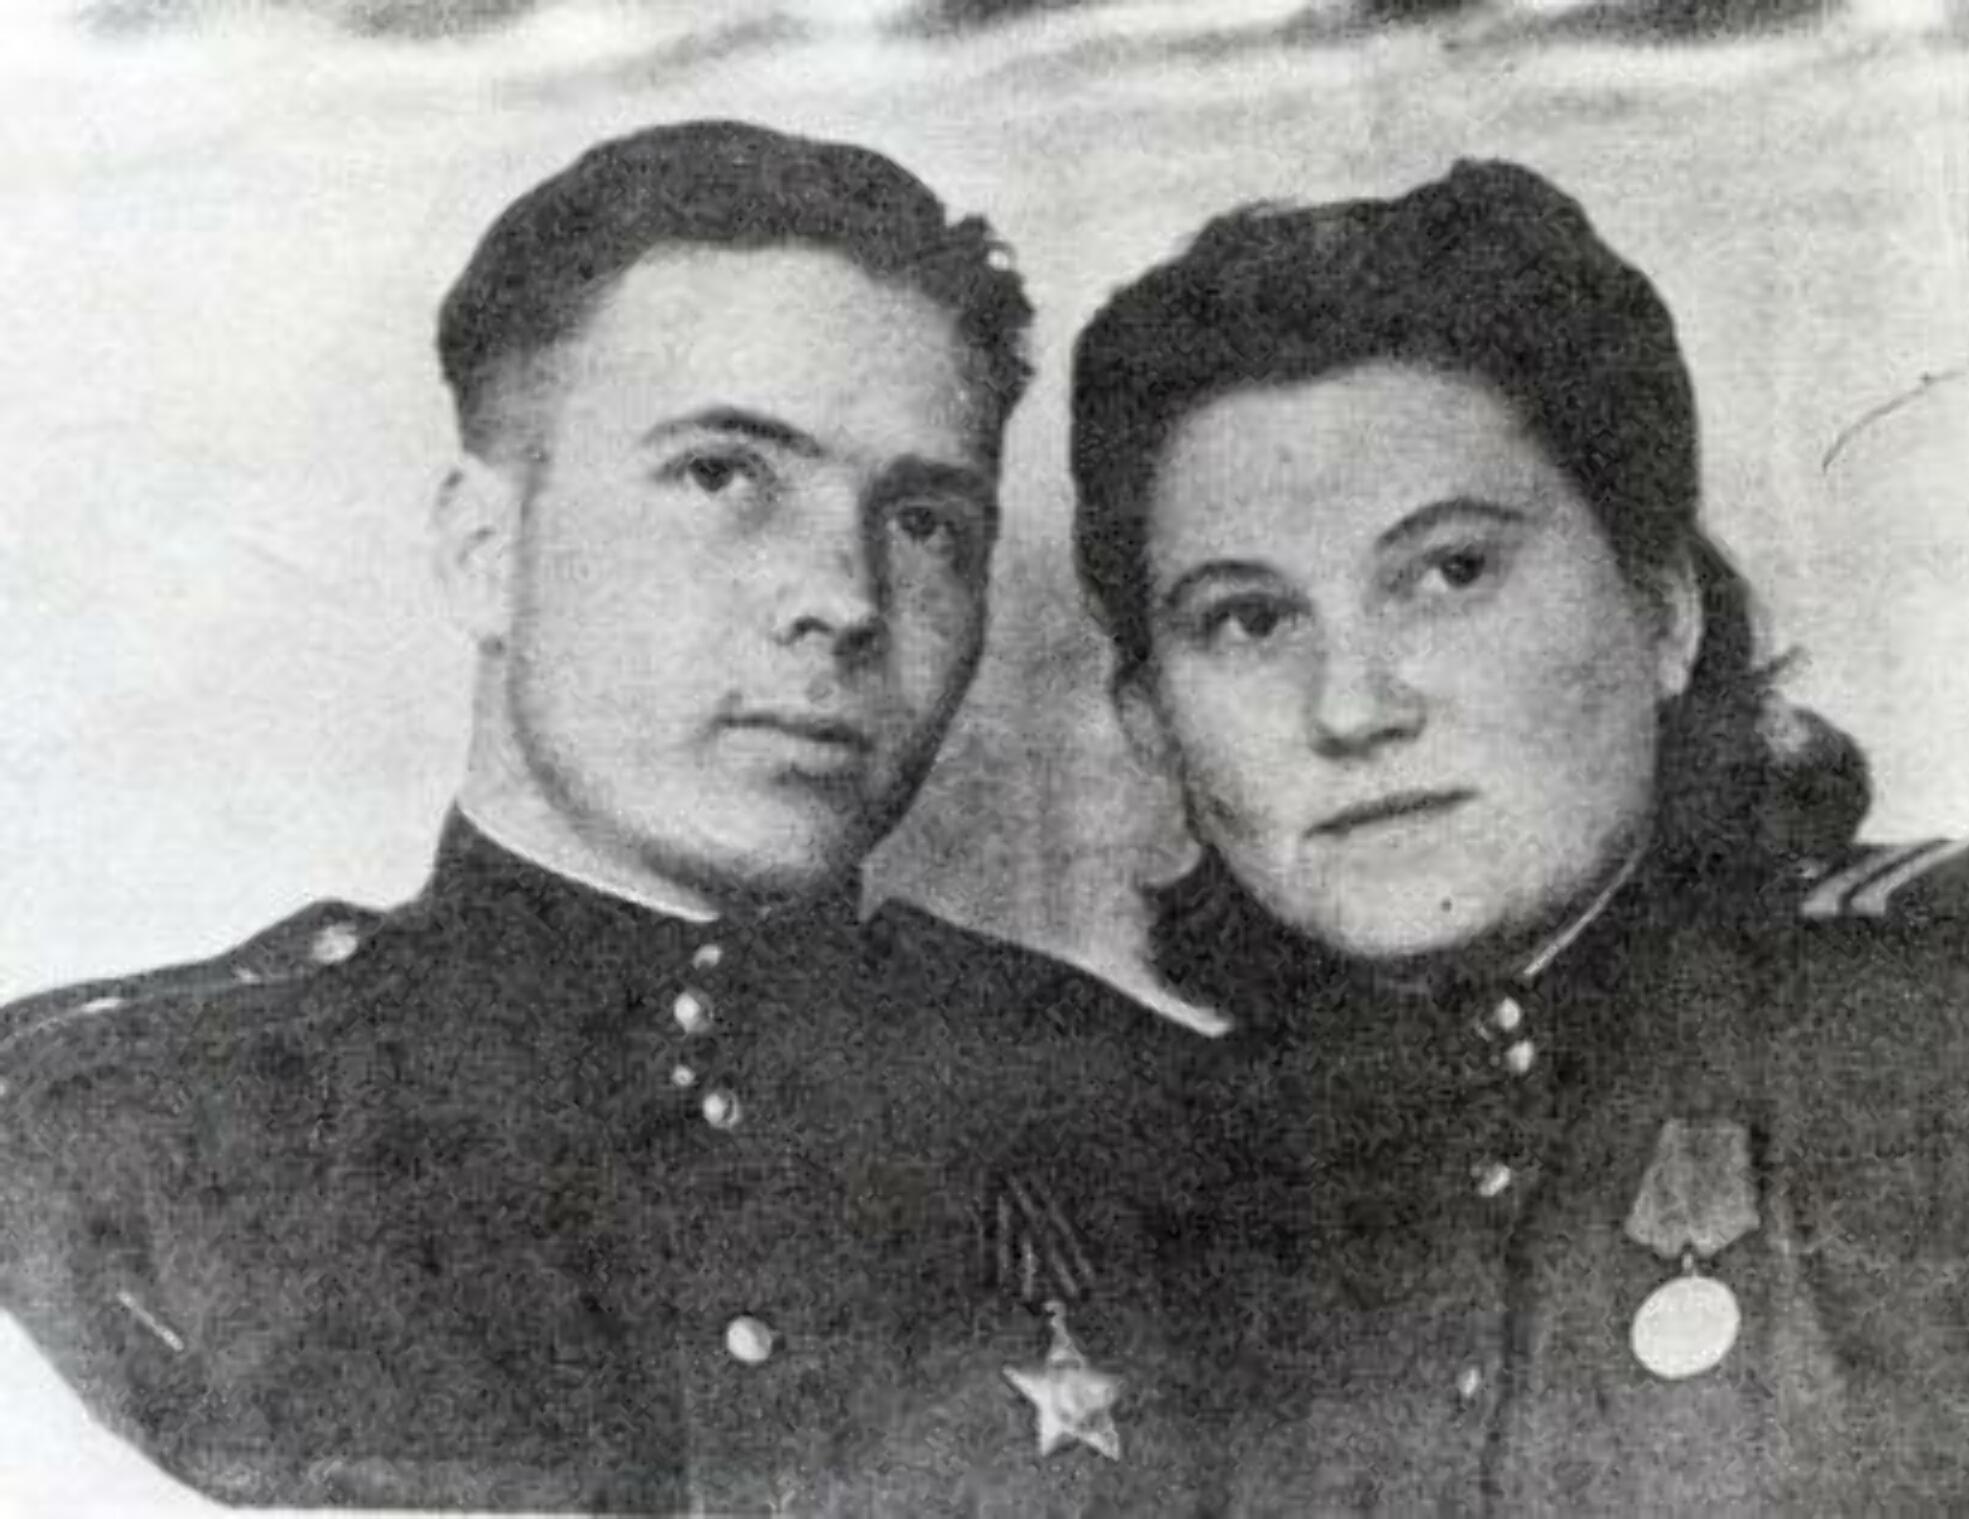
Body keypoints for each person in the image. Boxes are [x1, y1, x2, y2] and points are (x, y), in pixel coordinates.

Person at [0, 119, 1167, 1512]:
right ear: (484, 551)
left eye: (925, 521)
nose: (845, 599)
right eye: (723, 475)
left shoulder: (1159, 1130)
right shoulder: (94, 1152)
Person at [1005, 160, 1969, 1513]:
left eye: (1451, 572)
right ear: (1150, 719)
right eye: (1248, 620)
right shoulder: (1140, 1193)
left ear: (1662, 614)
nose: (1353, 708)